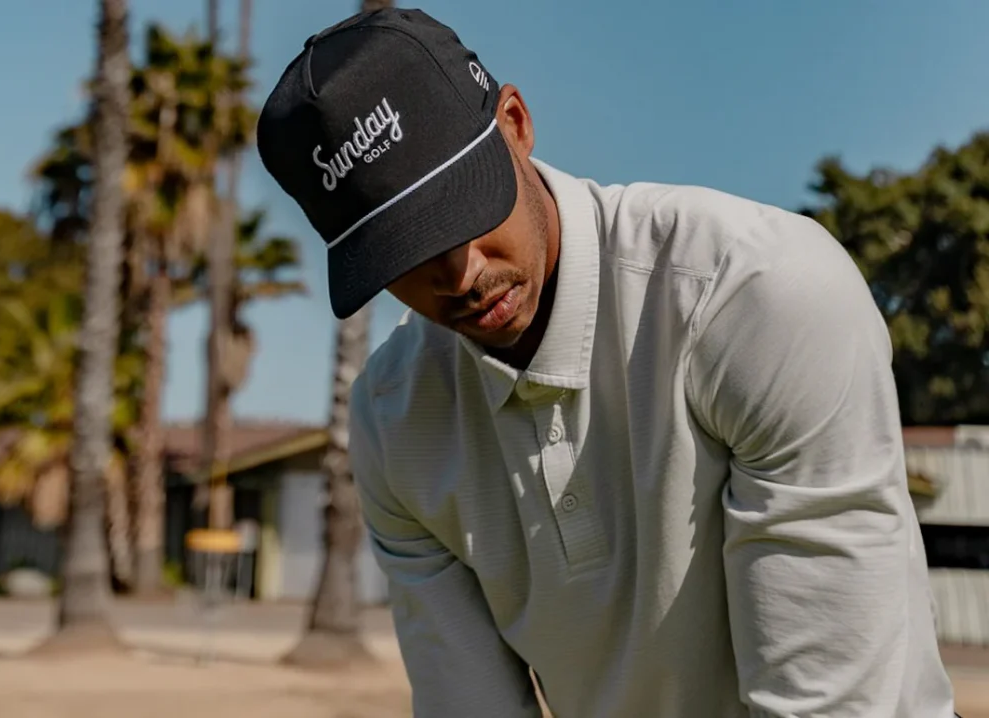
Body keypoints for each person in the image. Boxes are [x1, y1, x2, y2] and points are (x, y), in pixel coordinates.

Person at [257, 7, 957, 717]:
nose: (461, 274)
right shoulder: (393, 420)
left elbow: (828, 705)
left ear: (515, 124)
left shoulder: (755, 293)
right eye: (402, 251)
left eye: (458, 209)